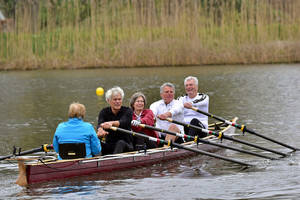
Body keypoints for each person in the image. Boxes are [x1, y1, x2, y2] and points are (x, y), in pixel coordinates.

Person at [97, 86, 134, 155]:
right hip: (110, 144)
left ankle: (112, 162)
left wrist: (111, 123)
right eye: (115, 99)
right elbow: (100, 123)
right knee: (96, 141)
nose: (118, 102)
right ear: (108, 100)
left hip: (126, 145)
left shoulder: (128, 111)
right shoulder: (103, 111)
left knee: (120, 143)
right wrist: (100, 130)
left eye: (119, 99)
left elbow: (123, 122)